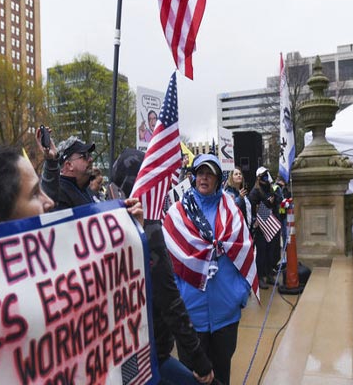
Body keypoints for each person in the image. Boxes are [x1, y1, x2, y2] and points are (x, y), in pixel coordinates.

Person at [109, 148, 215, 385]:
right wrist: (199, 358)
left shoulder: (109, 228)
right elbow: (170, 303)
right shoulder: (148, 230)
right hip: (149, 356)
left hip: (128, 354)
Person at [164, 154, 257, 385]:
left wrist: (240, 295)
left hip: (226, 315)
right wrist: (180, 299)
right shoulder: (176, 214)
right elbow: (167, 265)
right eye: (200, 172)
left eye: (210, 173)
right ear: (194, 176)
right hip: (190, 318)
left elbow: (246, 250)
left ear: (218, 178)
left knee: (221, 376)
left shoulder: (233, 211)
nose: (204, 177)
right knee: (192, 378)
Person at [38, 133, 97, 210]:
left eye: (90, 155)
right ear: (69, 165)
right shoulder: (58, 193)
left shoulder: (85, 189)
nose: (91, 159)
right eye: (85, 156)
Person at [248, 166, 281, 289]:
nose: (266, 177)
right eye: (264, 175)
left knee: (270, 250)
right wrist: (267, 203)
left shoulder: (269, 188)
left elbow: (277, 199)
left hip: (270, 223)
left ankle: (268, 274)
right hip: (261, 225)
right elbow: (253, 207)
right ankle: (260, 277)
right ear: (259, 177)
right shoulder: (255, 191)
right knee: (261, 252)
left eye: (267, 174)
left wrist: (272, 200)